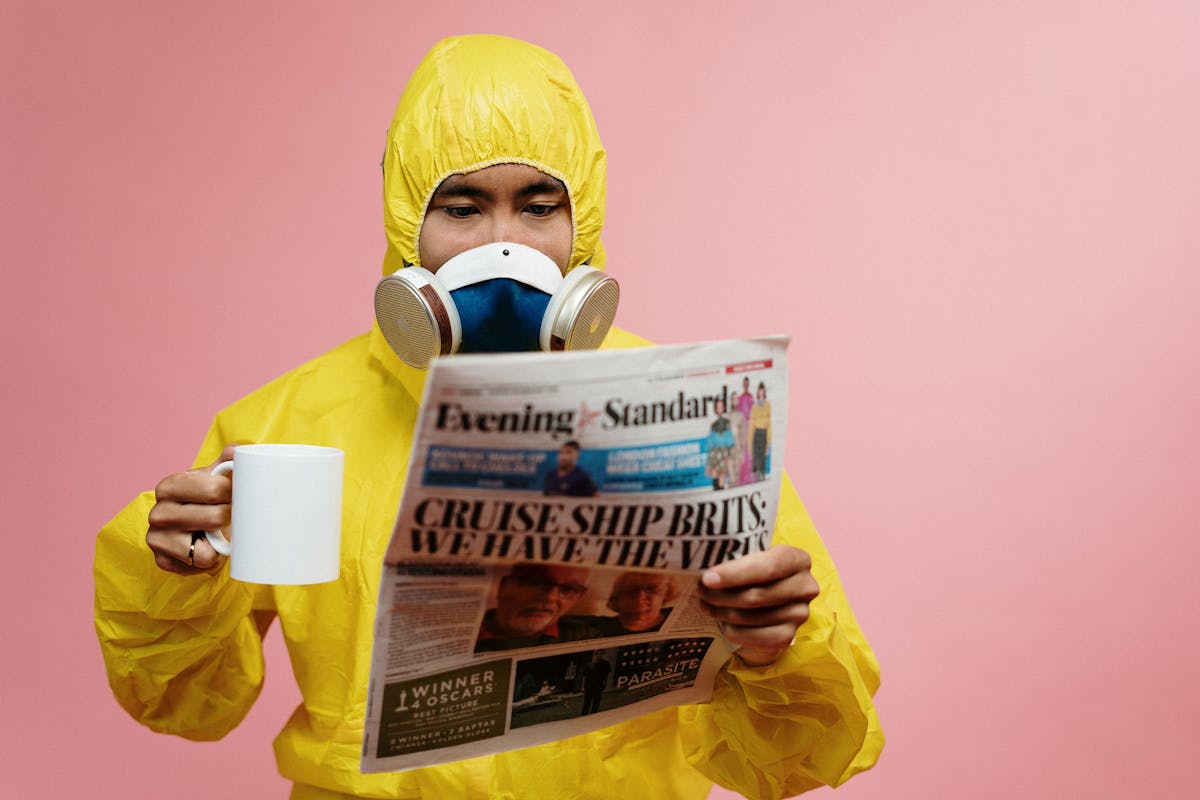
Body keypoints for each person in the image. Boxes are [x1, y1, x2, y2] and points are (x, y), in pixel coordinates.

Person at [94, 34, 882, 799]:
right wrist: (176, 578)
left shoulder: (688, 417)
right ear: (407, 223)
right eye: (463, 209)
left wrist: (778, 645)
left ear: (583, 228)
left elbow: (800, 759)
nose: (505, 248)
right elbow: (183, 706)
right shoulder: (283, 425)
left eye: (539, 207)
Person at [474, 563, 598, 652]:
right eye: (537, 582)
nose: (550, 598)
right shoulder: (474, 630)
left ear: (578, 598)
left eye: (569, 589)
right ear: (504, 587)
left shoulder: (585, 635)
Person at [593, 571, 677, 635]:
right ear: (617, 598)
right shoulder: (595, 626)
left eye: (651, 589)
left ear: (665, 595)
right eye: (632, 590)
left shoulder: (675, 617)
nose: (640, 596)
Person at [749, 381, 773, 481]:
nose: (761, 393)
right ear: (757, 393)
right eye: (759, 391)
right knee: (756, 456)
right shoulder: (754, 407)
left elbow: (769, 424)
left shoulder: (767, 405)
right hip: (756, 433)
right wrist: (750, 443)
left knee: (763, 456)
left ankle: (762, 475)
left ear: (764, 392)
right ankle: (758, 475)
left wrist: (768, 441)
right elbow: (751, 425)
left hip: (764, 433)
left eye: (763, 391)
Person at [579, 650, 612, 716]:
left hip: (598, 685)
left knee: (596, 701)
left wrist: (605, 684)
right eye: (598, 654)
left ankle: (593, 715)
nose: (600, 655)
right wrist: (582, 687)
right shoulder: (590, 664)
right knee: (587, 702)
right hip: (589, 685)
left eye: (601, 654)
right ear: (595, 655)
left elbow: (606, 675)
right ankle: (584, 716)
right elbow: (584, 676)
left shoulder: (605, 664)